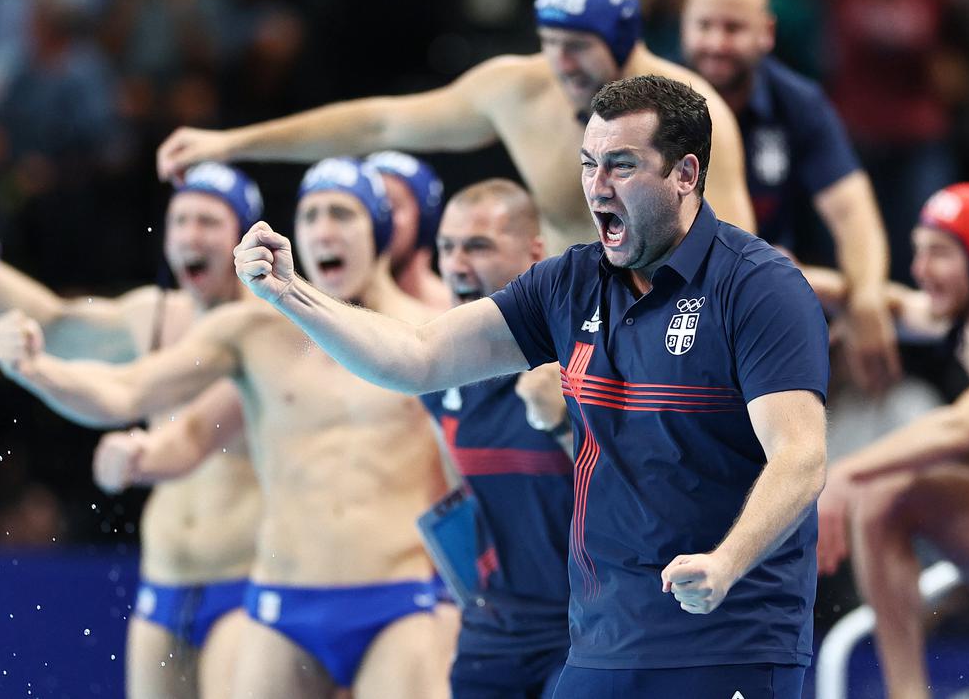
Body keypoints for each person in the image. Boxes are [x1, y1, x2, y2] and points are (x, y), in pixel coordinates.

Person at [233, 75, 829, 698]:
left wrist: (727, 561)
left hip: (730, 643)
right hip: (601, 647)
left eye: (622, 166)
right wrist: (291, 294)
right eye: (588, 164)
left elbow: (801, 456)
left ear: (685, 174)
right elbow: (417, 356)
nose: (598, 187)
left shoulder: (759, 287)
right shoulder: (569, 284)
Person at [0, 157, 452, 699]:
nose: (325, 229)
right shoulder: (252, 332)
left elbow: (490, 456)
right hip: (281, 605)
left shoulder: (432, 332)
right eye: (311, 216)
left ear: (376, 230)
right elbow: (130, 391)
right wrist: (38, 370)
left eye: (343, 215)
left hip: (396, 599)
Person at [0, 166, 263, 699]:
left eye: (208, 221)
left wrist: (139, 451)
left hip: (245, 582)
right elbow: (59, 322)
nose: (190, 235)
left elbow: (176, 429)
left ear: (244, 235)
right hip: (164, 583)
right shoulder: (157, 316)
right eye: (180, 220)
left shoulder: (272, 329)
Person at [156, 0, 756, 255]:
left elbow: (729, 265)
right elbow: (378, 121)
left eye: (578, 48)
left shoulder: (691, 116)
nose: (560, 64)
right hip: (567, 330)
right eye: (549, 45)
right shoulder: (518, 89)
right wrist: (233, 142)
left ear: (624, 40)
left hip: (659, 340)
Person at [814, 182, 969, 699]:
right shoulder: (966, 321)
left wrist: (847, 471)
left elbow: (960, 427)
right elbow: (885, 304)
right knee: (885, 501)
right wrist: (771, 275)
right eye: (917, 251)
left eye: (938, 253)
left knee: (871, 483)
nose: (920, 269)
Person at [680, 0, 899, 395]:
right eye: (704, 26)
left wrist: (869, 293)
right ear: (683, 27)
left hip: (766, 297)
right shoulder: (648, 101)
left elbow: (852, 209)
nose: (717, 43)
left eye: (733, 28)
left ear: (767, 33)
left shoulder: (798, 104)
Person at [423, 178, 574, 698]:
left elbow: (642, 486)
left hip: (593, 624)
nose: (457, 264)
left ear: (535, 253)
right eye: (446, 247)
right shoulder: (437, 369)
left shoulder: (581, 357)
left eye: (478, 246)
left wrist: (561, 423)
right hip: (497, 627)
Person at [366, 150, 450, 309]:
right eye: (371, 209)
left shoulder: (453, 309)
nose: (379, 221)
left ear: (424, 219)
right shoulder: (336, 305)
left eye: (390, 207)